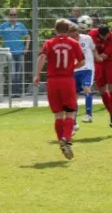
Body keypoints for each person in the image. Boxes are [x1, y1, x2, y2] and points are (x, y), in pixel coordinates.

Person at [33, 19, 84, 160]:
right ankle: (66, 139)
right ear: (68, 30)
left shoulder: (49, 43)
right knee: (70, 113)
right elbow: (82, 61)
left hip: (52, 81)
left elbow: (42, 57)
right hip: (67, 80)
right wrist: (71, 67)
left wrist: (37, 74)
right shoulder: (74, 43)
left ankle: (62, 141)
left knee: (58, 115)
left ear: (55, 30)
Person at [0, 8, 30, 97]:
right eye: (11, 15)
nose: (12, 16)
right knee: (13, 73)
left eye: (14, 15)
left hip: (20, 53)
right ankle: (13, 93)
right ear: (8, 16)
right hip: (10, 53)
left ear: (17, 16)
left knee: (19, 73)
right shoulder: (4, 26)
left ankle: (18, 93)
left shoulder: (21, 25)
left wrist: (26, 48)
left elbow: (28, 36)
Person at [69, 24, 100, 129]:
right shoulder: (68, 42)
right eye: (73, 36)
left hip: (87, 68)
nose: (75, 38)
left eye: (76, 35)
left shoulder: (87, 38)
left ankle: (89, 114)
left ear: (78, 32)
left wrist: (97, 57)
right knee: (74, 96)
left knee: (86, 88)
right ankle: (73, 123)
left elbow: (94, 49)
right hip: (75, 70)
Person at [89, 25, 112, 127]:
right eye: (104, 37)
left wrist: (94, 55)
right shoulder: (92, 34)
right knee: (101, 89)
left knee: (111, 87)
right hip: (97, 62)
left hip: (110, 61)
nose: (106, 38)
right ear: (99, 34)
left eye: (107, 36)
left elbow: (104, 56)